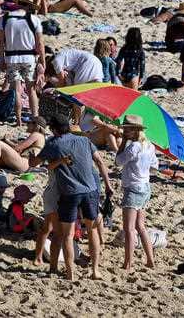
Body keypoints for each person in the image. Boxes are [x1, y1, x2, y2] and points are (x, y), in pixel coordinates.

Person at [31, 114, 113, 280]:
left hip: (69, 192)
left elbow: (33, 164)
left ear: (53, 129)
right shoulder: (84, 140)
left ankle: (70, 273)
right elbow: (100, 162)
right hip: (90, 189)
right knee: (92, 231)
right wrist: (108, 184)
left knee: (67, 235)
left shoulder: (54, 143)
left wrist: (32, 155)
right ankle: (95, 270)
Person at [114, 115, 158, 270]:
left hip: (133, 188)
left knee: (129, 229)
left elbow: (118, 161)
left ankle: (128, 262)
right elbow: (154, 166)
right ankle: (150, 259)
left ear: (135, 130)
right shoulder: (149, 145)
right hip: (145, 186)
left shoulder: (133, 147)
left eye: (127, 129)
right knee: (141, 226)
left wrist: (123, 143)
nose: (125, 131)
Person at [0, 0, 45, 125]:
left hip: (11, 58)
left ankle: (18, 120)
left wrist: (2, 60)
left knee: (16, 90)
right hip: (29, 58)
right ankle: (35, 118)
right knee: (31, 90)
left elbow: (0, 42)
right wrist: (42, 62)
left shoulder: (4, 19)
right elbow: (40, 43)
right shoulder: (34, 19)